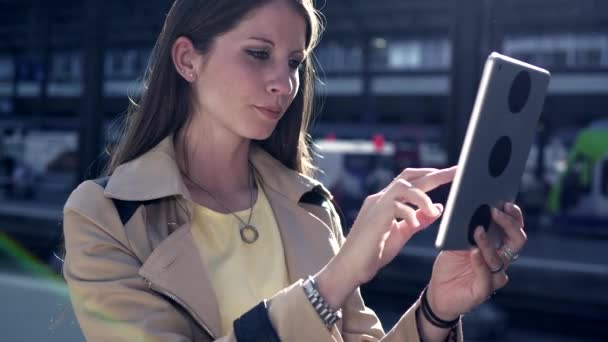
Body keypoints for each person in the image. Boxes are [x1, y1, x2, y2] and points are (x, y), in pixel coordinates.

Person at [62, 0, 528, 341]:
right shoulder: (104, 216)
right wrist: (332, 282)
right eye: (258, 53)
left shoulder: (309, 205)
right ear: (188, 59)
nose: (283, 84)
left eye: (294, 63)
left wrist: (437, 311)